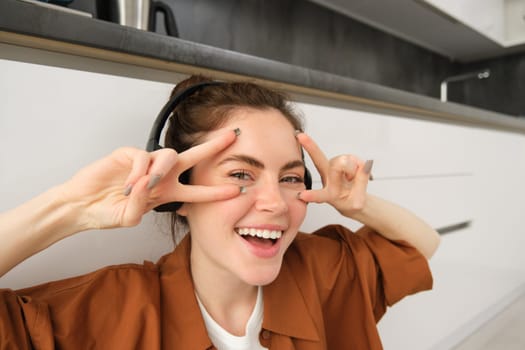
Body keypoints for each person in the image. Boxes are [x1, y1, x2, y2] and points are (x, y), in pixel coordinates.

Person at [0, 75, 440, 349]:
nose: (275, 203)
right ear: (179, 195)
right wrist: (70, 207)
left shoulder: (321, 270)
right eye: (241, 175)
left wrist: (353, 203)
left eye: (290, 178)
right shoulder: (108, 311)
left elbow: (421, 245)